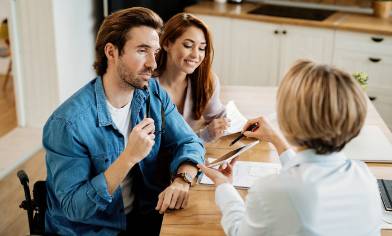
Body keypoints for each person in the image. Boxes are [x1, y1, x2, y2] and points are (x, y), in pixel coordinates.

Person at [43, 7, 204, 235]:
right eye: (142, 51)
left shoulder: (152, 93)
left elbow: (189, 141)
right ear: (111, 52)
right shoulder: (67, 124)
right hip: (93, 230)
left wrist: (182, 180)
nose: (153, 64)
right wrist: (128, 157)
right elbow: (74, 208)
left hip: (143, 219)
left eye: (155, 52)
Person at [198, 60, 382, 236]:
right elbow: (310, 174)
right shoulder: (365, 177)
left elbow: (239, 232)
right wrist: (278, 142)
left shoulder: (272, 191)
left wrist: (224, 186)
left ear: (288, 122)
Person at [154, 13, 230, 143]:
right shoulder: (146, 85)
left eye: (201, 48)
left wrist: (247, 128)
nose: (196, 55)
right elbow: (162, 146)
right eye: (188, 45)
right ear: (167, 44)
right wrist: (205, 135)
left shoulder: (206, 81)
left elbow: (219, 117)